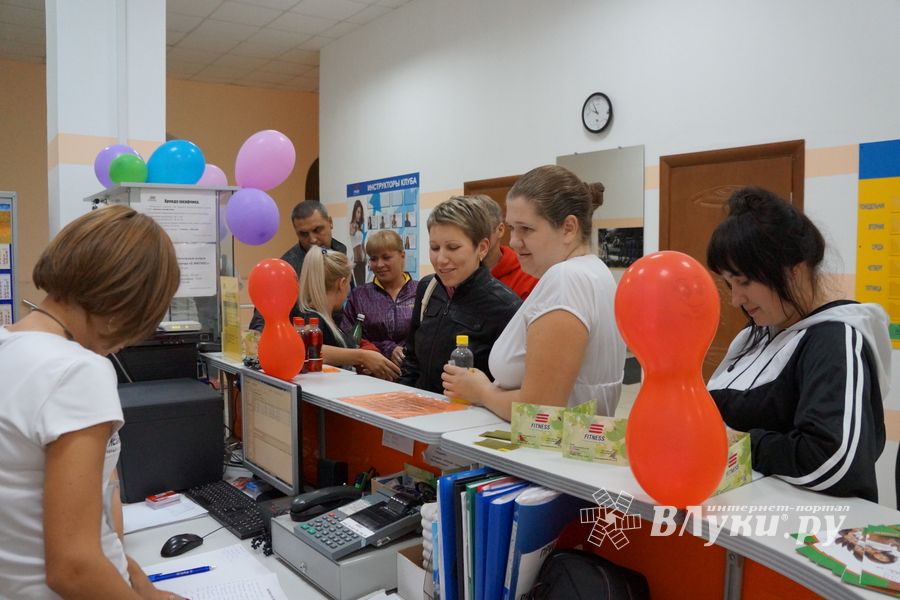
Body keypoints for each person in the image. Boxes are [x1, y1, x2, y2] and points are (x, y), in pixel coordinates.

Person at [0, 205, 181, 598]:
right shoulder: (77, 370)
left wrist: (140, 587)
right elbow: (74, 568)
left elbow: (83, 520)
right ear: (124, 308)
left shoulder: (9, 344)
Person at [706, 187, 889, 502]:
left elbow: (833, 461)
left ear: (795, 269)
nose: (736, 298)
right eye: (729, 283)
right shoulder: (754, 336)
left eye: (745, 281)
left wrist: (738, 445)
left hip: (804, 534)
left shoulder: (834, 339)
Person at [442, 166, 625, 419]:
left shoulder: (566, 279)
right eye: (511, 228)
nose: (514, 241)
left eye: (526, 229)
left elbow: (540, 410)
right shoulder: (595, 271)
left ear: (569, 228)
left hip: (546, 452)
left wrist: (481, 391)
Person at [399, 196, 521, 394]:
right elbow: (412, 360)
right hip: (418, 413)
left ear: (481, 248)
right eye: (434, 248)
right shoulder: (426, 288)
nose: (441, 259)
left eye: (453, 248)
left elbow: (510, 383)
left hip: (469, 419)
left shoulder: (506, 306)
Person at [299, 246, 401, 381]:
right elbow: (307, 349)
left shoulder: (329, 319)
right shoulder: (313, 319)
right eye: (348, 284)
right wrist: (361, 356)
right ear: (342, 283)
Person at [250, 200, 350, 331]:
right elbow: (260, 323)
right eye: (303, 234)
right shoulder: (285, 269)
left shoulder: (341, 251)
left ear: (330, 222)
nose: (313, 239)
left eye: (317, 230)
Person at [340, 230, 417, 366]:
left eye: (386, 257)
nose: (379, 264)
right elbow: (348, 339)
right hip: (372, 377)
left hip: (414, 376)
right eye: (374, 259)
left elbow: (429, 336)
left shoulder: (420, 291)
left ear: (402, 256)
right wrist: (387, 349)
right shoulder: (360, 295)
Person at [470, 194, 538, 300]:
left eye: (479, 229)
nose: (471, 238)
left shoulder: (529, 276)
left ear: (500, 230)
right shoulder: (456, 275)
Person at [349, 199, 367, 285]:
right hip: (356, 261)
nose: (359, 215)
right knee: (360, 286)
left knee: (363, 285)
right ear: (354, 212)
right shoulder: (352, 225)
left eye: (360, 212)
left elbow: (362, 243)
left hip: (363, 261)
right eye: (358, 212)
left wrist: (366, 256)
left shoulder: (360, 227)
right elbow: (351, 233)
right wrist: (354, 227)